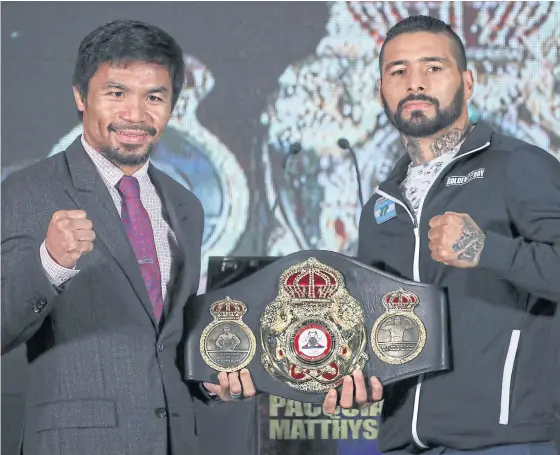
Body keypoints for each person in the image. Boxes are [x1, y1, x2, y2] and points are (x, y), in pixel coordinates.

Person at [1, 20, 254, 455]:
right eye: (117, 93)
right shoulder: (29, 190)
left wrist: (211, 380)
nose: (136, 114)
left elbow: (168, 342)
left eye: (154, 97)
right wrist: (50, 264)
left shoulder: (185, 205)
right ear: (81, 96)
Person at [322, 15, 560, 455]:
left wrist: (488, 249)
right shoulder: (381, 204)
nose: (415, 83)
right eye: (399, 72)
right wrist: (352, 371)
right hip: (402, 444)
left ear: (467, 83)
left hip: (502, 442)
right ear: (381, 92)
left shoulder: (518, 166)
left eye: (433, 68)